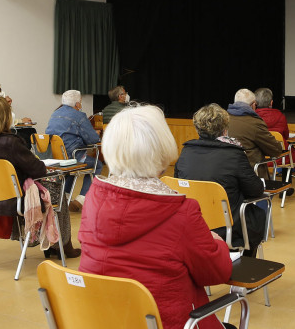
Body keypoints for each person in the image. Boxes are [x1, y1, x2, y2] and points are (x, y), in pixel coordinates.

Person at [79, 105, 233, 329]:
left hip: (104, 321)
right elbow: (216, 273)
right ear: (161, 149)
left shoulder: (94, 197)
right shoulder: (182, 212)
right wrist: (218, 244)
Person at [0, 96, 78, 258]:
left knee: (48, 187)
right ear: (5, 117)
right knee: (57, 185)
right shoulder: (11, 142)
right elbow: (38, 170)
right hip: (17, 200)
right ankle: (61, 244)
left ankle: (51, 243)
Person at [175, 104, 266, 256]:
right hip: (228, 229)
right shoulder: (234, 154)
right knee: (258, 214)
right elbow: (256, 190)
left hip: (192, 223)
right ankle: (245, 265)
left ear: (197, 129)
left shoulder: (186, 152)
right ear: (225, 129)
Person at [46, 89, 102, 212]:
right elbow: (92, 139)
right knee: (97, 164)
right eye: (80, 102)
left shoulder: (55, 113)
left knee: (74, 167)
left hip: (56, 157)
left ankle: (65, 197)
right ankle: (81, 199)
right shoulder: (79, 116)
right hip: (73, 156)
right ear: (77, 104)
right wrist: (96, 133)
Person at [253, 87, 295, 179]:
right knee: (287, 151)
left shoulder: (251, 117)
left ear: (255, 103)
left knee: (287, 150)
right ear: (271, 102)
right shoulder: (279, 115)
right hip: (278, 156)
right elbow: (285, 136)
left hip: (258, 156)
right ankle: (287, 186)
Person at [226, 88, 283, 169]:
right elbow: (276, 150)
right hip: (251, 173)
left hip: (227, 171)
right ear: (253, 104)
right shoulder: (255, 123)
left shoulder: (223, 120)